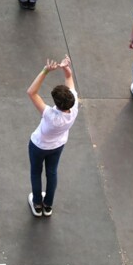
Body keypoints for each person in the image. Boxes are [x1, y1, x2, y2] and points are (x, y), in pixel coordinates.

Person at [25, 56, 77, 217]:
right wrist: (65, 67)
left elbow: (31, 92)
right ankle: (47, 205)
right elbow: (69, 77)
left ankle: (37, 203)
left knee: (36, 172)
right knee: (52, 172)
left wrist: (45, 71)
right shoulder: (74, 108)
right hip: (58, 145)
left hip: (39, 145)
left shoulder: (50, 115)